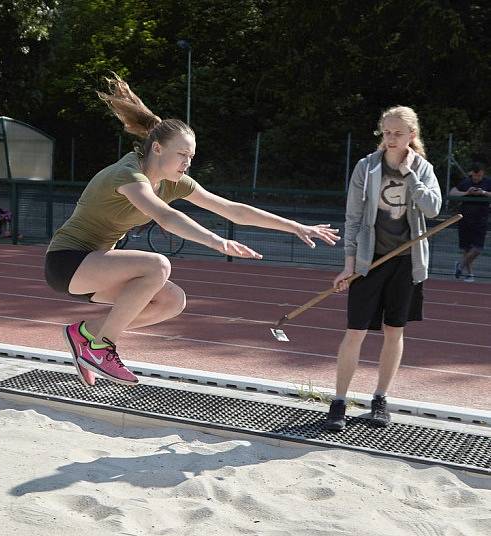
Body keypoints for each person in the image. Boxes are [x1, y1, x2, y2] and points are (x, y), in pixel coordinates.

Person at [45, 74, 340, 387]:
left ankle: (86, 333)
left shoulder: (175, 182)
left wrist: (294, 226)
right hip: (68, 263)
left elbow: (232, 210)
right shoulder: (128, 174)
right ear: (157, 149)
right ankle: (102, 348)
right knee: (157, 265)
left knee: (172, 301)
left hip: (97, 266)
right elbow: (165, 217)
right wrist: (216, 241)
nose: (187, 163)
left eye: (191, 157)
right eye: (182, 155)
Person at [323, 106, 442, 431]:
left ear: (411, 136)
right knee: (355, 332)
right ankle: (338, 401)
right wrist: (349, 265)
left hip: (406, 263)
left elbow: (433, 209)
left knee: (394, 331)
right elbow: (353, 218)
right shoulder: (366, 168)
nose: (390, 139)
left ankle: (380, 399)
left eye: (397, 134)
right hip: (369, 261)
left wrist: (410, 176)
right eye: (386, 133)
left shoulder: (423, 168)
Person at [449, 162, 491, 282]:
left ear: (483, 174)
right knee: (467, 248)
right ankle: (470, 274)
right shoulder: (466, 182)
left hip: (481, 219)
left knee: (477, 248)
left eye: (479, 176)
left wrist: (483, 192)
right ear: (472, 173)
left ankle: (460, 266)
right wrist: (467, 193)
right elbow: (452, 192)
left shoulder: (488, 182)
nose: (477, 178)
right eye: (475, 176)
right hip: (465, 218)